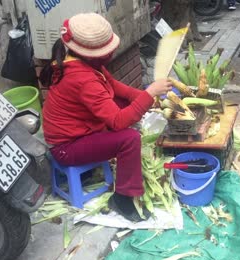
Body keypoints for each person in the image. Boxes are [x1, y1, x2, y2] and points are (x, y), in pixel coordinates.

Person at [40, 13, 173, 222]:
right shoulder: (82, 78)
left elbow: (114, 87)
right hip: (67, 147)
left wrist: (145, 97)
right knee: (129, 139)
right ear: (94, 54)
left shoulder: (81, 62)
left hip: (80, 132)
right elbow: (118, 121)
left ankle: (112, 177)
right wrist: (150, 94)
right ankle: (122, 199)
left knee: (122, 104)